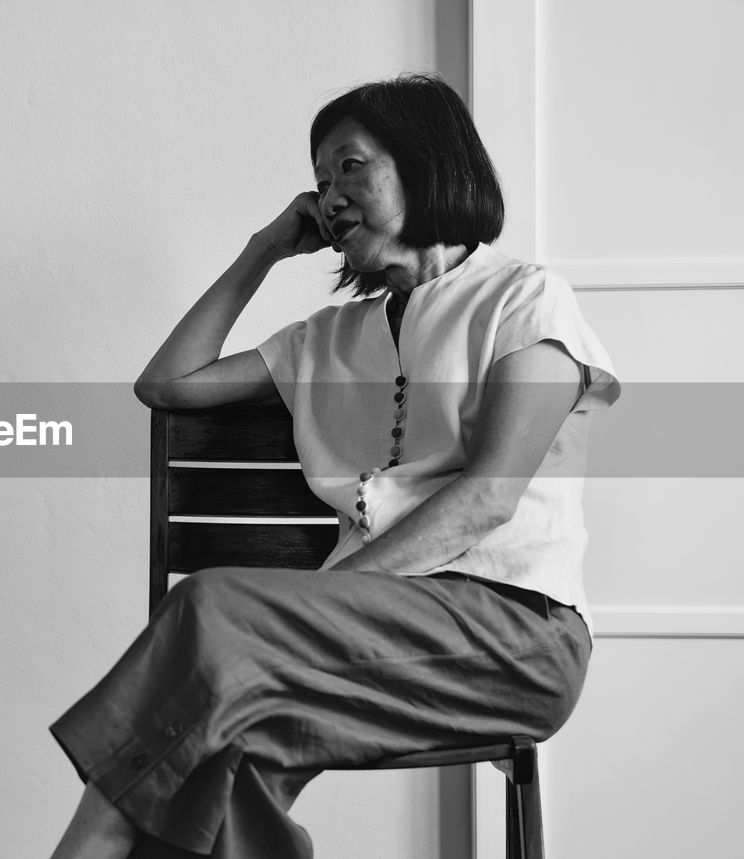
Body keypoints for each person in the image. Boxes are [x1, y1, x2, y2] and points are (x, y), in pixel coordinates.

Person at [48, 73, 620, 859]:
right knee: (221, 760)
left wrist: (308, 601)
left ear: (425, 163)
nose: (330, 195)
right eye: (320, 181)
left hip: (513, 633)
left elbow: (487, 497)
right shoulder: (325, 340)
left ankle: (85, 844)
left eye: (351, 166)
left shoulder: (524, 299)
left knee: (212, 607)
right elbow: (166, 385)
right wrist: (265, 249)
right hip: (359, 635)